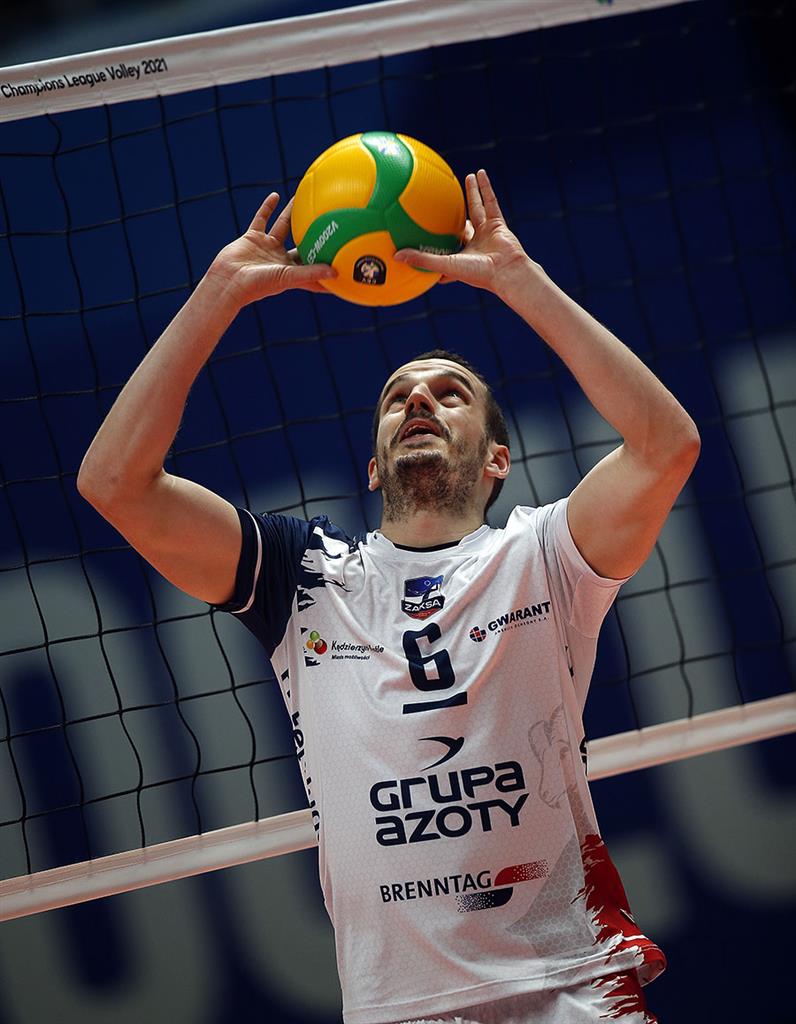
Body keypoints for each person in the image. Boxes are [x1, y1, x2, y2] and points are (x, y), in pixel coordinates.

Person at [78, 169, 699, 1024]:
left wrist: (518, 279)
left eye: (450, 394)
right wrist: (220, 291)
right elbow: (113, 482)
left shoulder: (545, 555)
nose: (419, 400)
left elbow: (666, 445)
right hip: (399, 1010)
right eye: (398, 398)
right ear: (374, 468)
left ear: (497, 460)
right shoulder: (303, 578)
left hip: (572, 991)